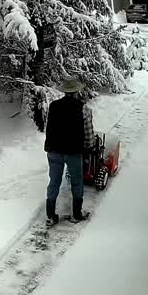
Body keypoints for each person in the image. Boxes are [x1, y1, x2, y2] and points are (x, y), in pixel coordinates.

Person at [44, 76, 94, 226]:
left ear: (64, 92)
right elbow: (89, 133)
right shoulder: (84, 108)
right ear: (77, 92)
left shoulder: (53, 106)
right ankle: (76, 214)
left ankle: (51, 216)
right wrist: (89, 147)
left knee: (54, 182)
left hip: (54, 150)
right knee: (77, 182)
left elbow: (49, 128)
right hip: (73, 152)